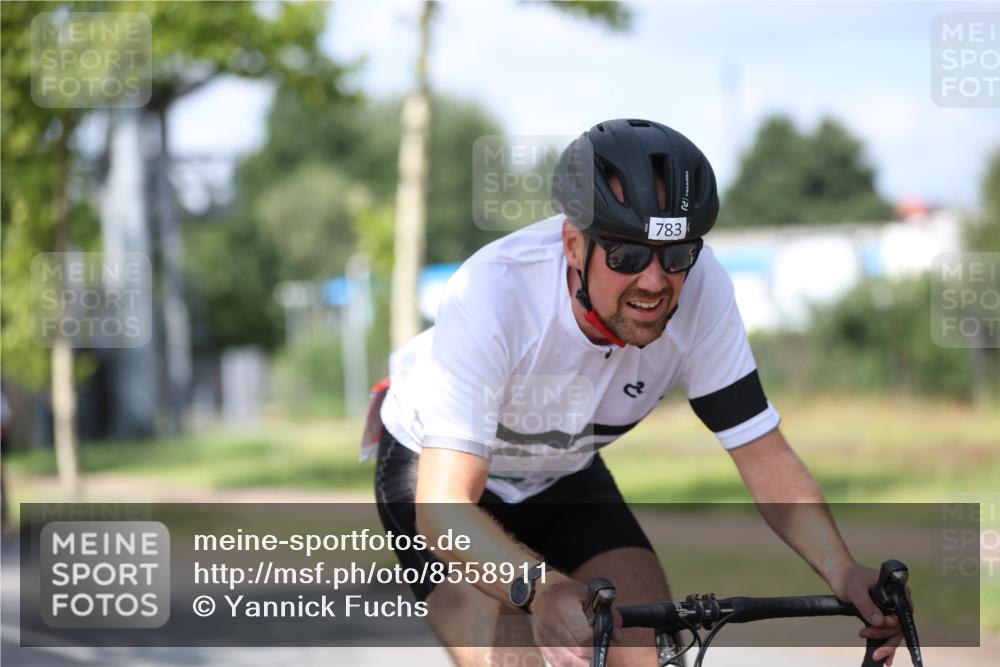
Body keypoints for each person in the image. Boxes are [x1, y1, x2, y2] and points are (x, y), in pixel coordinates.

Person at [369, 119, 904, 667]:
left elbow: (763, 455)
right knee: (511, 658)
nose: (654, 281)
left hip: (560, 469)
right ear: (573, 245)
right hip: (436, 471)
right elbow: (444, 506)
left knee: (646, 655)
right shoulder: (494, 292)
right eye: (627, 256)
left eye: (675, 255)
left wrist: (842, 568)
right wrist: (541, 588)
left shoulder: (703, 291)